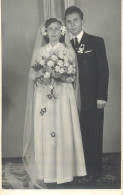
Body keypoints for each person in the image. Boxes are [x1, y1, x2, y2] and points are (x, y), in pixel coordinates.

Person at [22, 17, 86, 188]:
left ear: (62, 32)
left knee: (63, 128)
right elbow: (32, 75)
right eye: (50, 29)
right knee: (47, 129)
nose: (54, 32)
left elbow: (73, 77)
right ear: (45, 32)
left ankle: (66, 172)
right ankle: (47, 172)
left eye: (57, 29)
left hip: (63, 96)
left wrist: (59, 75)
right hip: (45, 95)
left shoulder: (68, 51)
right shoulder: (40, 51)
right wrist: (42, 76)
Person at [65, 6, 109, 179]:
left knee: (94, 133)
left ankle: (95, 173)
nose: (72, 24)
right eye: (69, 21)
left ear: (82, 21)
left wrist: (101, 96)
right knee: (77, 135)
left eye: (75, 20)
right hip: (71, 99)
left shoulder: (96, 41)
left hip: (92, 98)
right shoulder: (63, 46)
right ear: (66, 25)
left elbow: (103, 70)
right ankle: (79, 171)